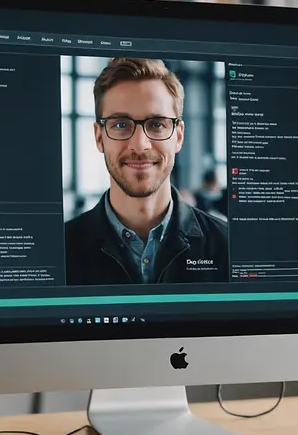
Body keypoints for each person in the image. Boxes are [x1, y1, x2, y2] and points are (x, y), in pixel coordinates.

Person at [65, 58, 229, 285]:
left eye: (157, 124)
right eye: (121, 125)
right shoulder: (57, 252)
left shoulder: (229, 247)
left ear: (178, 136)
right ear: (99, 137)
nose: (140, 145)